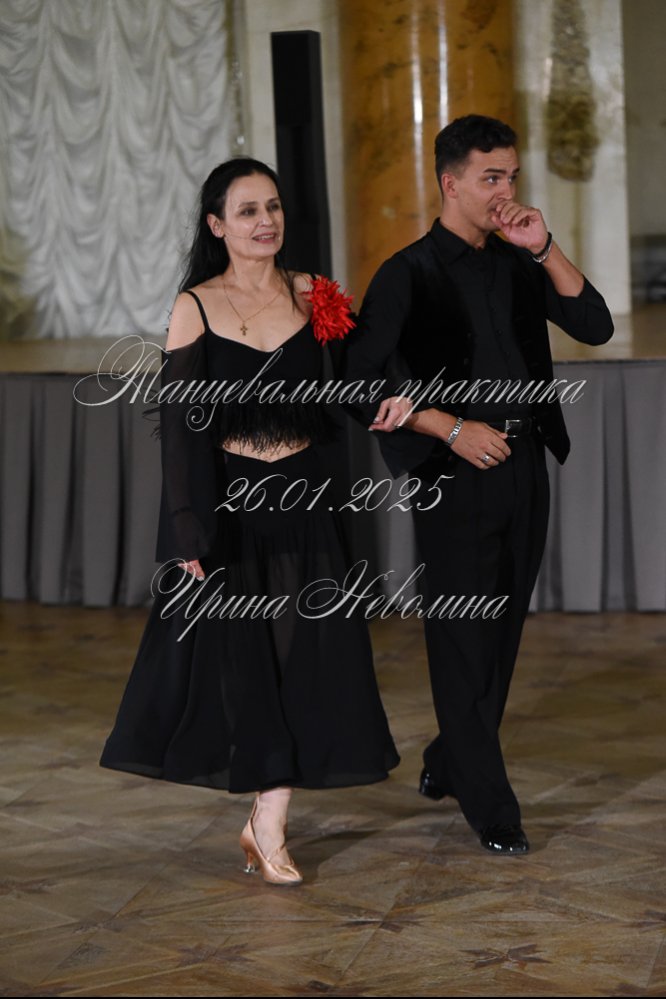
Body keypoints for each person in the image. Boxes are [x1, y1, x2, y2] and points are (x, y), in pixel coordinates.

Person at [100, 157, 399, 885]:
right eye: (247, 211)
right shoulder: (195, 306)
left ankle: (269, 818)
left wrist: (404, 403)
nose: (266, 221)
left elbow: (356, 378)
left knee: (309, 656)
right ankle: (264, 819)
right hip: (231, 508)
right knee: (248, 663)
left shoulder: (314, 293)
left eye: (273, 207)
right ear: (217, 225)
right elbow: (179, 430)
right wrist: (186, 528)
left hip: (306, 499)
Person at [343, 115, 613, 854]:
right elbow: (357, 381)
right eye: (491, 177)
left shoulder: (520, 261)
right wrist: (448, 426)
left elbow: (595, 325)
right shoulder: (407, 273)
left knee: (501, 633)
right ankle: (492, 807)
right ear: (450, 182)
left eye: (512, 177)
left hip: (526, 463)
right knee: (463, 636)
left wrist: (545, 247)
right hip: (454, 475)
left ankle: (451, 756)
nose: (505, 191)